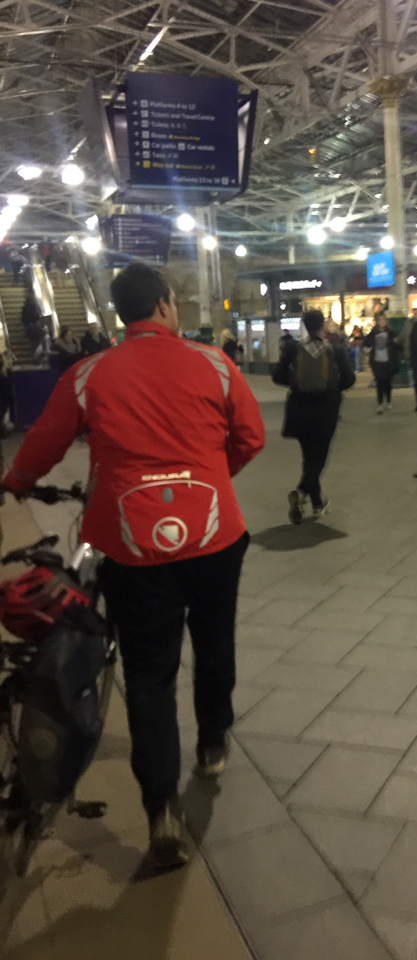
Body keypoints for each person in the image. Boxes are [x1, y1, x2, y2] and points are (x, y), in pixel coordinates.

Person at [2, 262, 265, 871]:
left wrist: (15, 481)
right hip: (215, 536)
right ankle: (213, 743)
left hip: (131, 546)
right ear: (166, 305)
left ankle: (161, 811)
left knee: (148, 675)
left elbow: (42, 444)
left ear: (123, 315)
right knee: (215, 642)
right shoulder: (214, 364)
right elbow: (249, 437)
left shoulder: (88, 373)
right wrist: (207, 478)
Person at [272, 308, 354, 522]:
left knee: (309, 457)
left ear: (305, 326)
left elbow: (278, 376)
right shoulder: (334, 349)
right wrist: (332, 389)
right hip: (325, 410)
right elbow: (349, 379)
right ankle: (301, 492)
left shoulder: (293, 349)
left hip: (299, 409)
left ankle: (317, 503)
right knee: (318, 460)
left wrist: (296, 384)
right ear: (322, 326)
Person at [364, 312, 399, 414]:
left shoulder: (391, 333)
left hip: (388, 362)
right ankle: (380, 403)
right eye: (379, 320)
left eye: (383, 320)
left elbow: (398, 347)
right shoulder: (373, 333)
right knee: (379, 382)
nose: (382, 322)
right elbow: (366, 343)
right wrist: (366, 349)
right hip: (377, 362)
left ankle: (388, 400)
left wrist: (397, 343)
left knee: (387, 382)